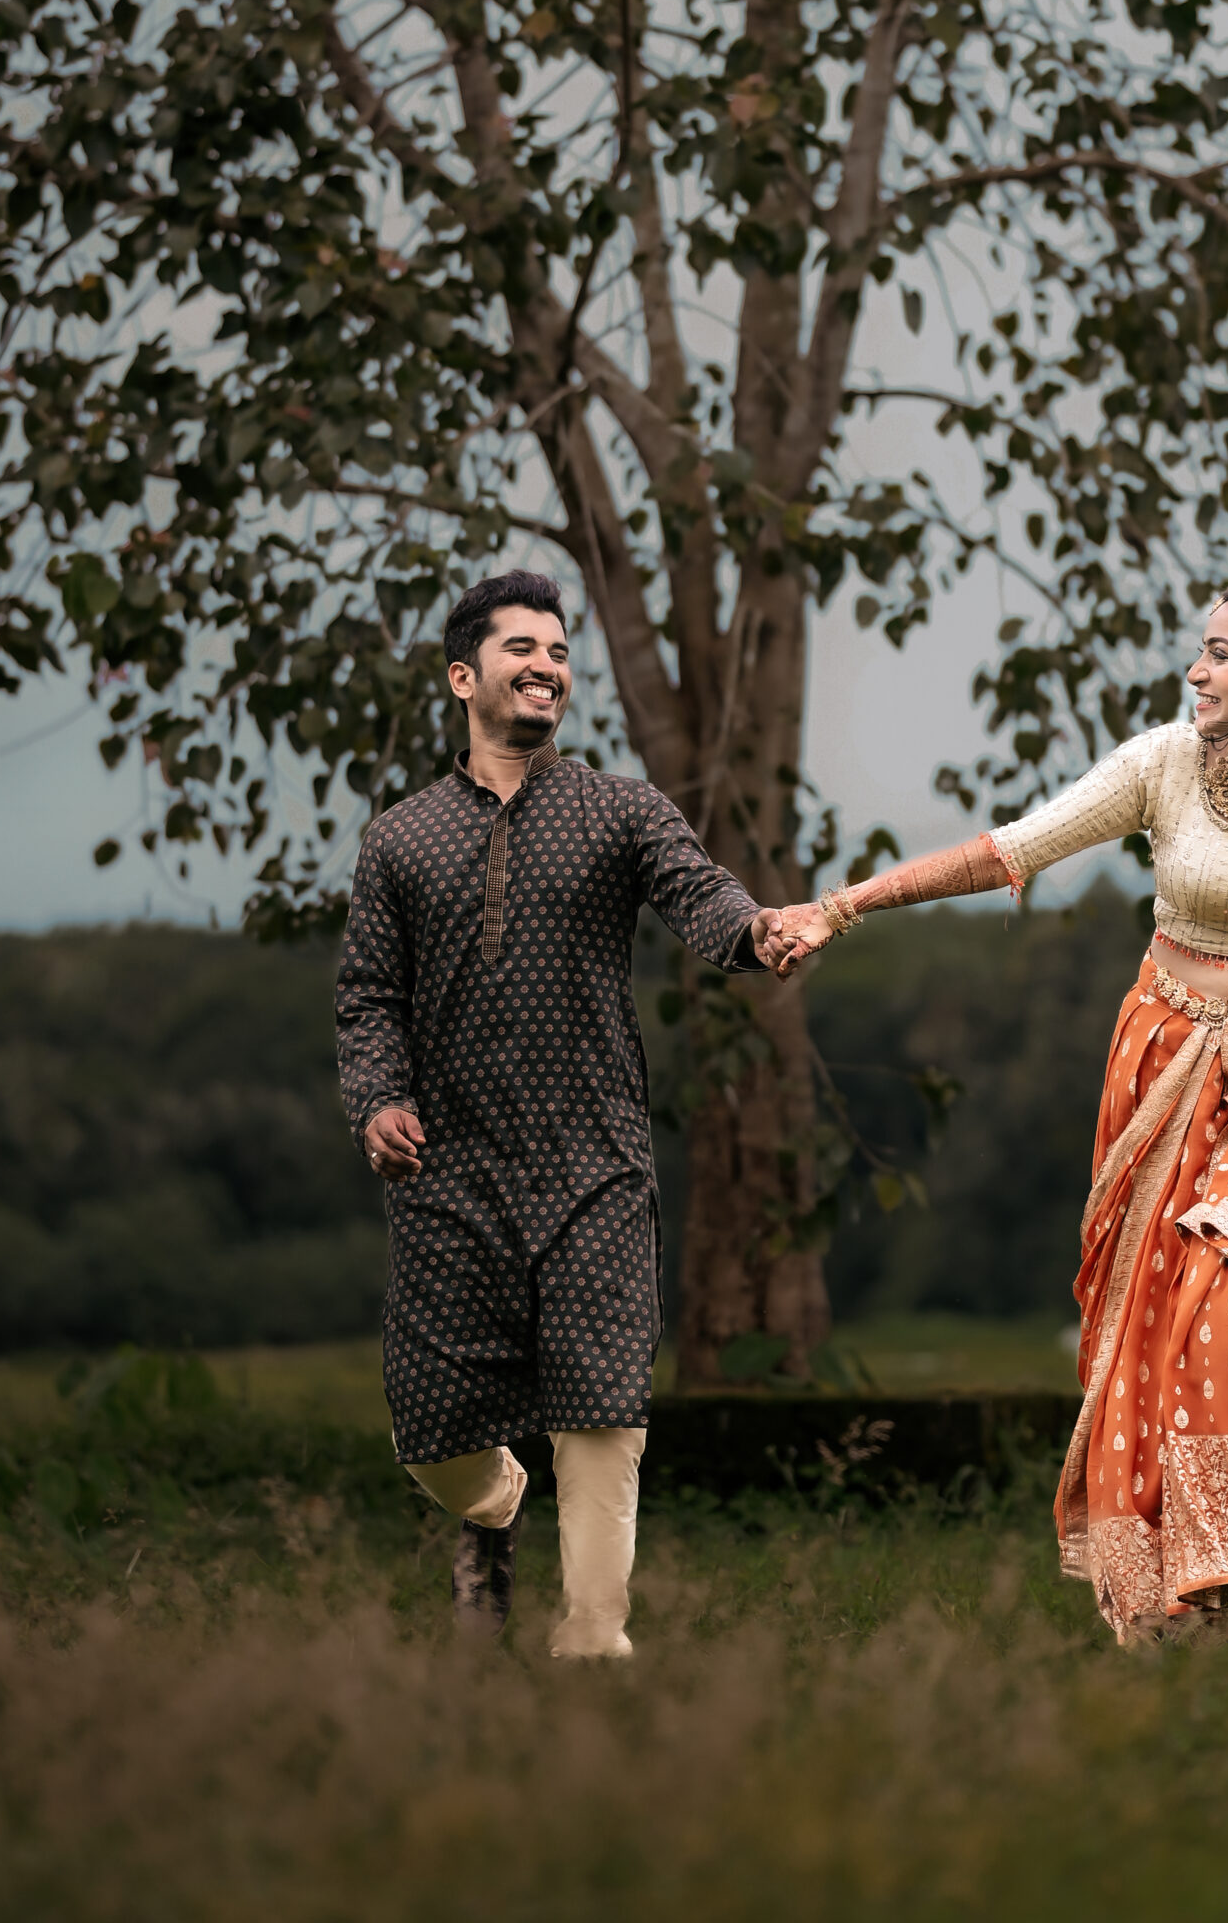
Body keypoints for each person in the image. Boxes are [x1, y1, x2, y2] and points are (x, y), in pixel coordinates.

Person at [771, 576, 1228, 1644]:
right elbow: (1009, 850)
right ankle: (1200, 1582)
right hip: (1163, 1070)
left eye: (1220, 654)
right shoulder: (1163, 763)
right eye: (1200, 651)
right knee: (1164, 1328)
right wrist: (842, 907)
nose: (1195, 672)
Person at [336, 569, 783, 1655]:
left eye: (557, 652)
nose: (546, 667)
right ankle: (494, 1511)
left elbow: (699, 890)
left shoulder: (618, 808)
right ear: (462, 676)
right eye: (519, 650)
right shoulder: (399, 839)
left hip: (594, 1162)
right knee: (433, 1428)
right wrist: (377, 1100)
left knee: (599, 1413)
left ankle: (593, 1643)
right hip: (448, 1172)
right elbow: (366, 998)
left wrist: (755, 930)